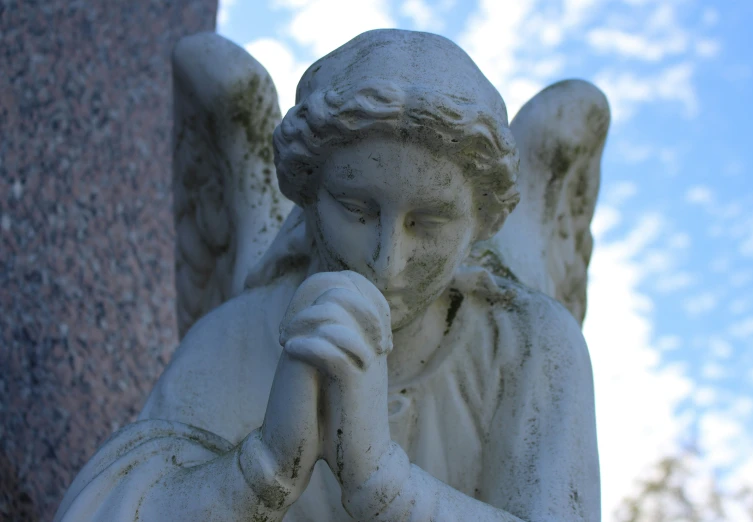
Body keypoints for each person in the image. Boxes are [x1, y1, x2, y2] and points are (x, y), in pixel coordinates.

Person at [55, 29, 599, 521]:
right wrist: (263, 467)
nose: (388, 262)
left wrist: (386, 484)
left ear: (482, 221)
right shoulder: (242, 331)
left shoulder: (531, 345)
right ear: (308, 195)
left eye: (428, 222)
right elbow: (101, 508)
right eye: (356, 210)